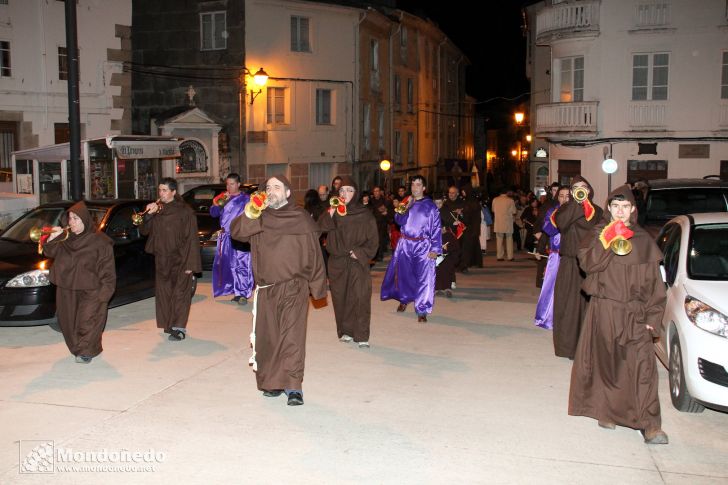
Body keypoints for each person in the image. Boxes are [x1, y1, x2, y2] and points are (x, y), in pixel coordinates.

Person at [569, 184, 668, 445]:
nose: (621, 212)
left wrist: (653, 318)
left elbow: (655, 285)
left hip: (635, 312)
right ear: (609, 209)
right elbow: (588, 264)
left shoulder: (644, 239)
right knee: (609, 366)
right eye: (615, 207)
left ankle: (651, 425)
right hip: (604, 308)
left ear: (633, 209)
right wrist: (610, 237)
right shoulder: (598, 234)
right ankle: (607, 411)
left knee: (643, 367)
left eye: (625, 207)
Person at [230, 175, 327, 406]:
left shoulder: (300, 218)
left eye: (277, 187)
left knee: (292, 337)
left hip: (294, 286)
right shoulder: (259, 216)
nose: (271, 191)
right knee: (269, 339)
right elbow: (237, 233)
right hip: (266, 288)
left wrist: (317, 286)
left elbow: (314, 253)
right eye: (268, 187)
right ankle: (272, 382)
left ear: (287, 192)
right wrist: (251, 211)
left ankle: (294, 387)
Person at [43, 201, 115, 363]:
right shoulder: (65, 238)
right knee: (68, 322)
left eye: (76, 219)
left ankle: (86, 351)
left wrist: (104, 294)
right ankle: (79, 348)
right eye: (70, 219)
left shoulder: (100, 242)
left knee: (87, 320)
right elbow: (49, 252)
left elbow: (108, 270)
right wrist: (53, 237)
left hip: (91, 289)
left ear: (85, 219)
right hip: (66, 288)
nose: (71, 223)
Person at [139, 177, 202, 341]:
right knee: (164, 294)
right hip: (162, 259)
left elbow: (192, 239)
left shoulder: (185, 211)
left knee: (180, 294)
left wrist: (191, 263)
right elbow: (145, 231)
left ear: (174, 192)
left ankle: (179, 328)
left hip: (181, 259)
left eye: (165, 190)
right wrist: (148, 215)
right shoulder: (157, 210)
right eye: (160, 190)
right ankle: (169, 324)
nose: (161, 193)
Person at [318, 177, 378, 347]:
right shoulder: (334, 211)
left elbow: (373, 240)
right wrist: (330, 213)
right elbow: (319, 228)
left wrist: (359, 252)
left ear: (355, 192)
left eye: (349, 190)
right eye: (342, 190)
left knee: (360, 297)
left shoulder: (364, 214)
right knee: (341, 298)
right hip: (337, 261)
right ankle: (346, 331)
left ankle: (362, 335)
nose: (345, 194)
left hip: (357, 261)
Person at [552, 175, 603, 359]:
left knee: (587, 307)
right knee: (568, 306)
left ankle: (586, 347)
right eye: (576, 188)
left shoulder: (597, 211)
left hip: (589, 264)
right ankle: (568, 347)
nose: (581, 190)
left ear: (589, 190)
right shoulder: (565, 209)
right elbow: (562, 224)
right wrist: (576, 203)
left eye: (584, 187)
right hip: (569, 263)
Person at [381, 175, 442, 323]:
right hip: (405, 244)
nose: (415, 187)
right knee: (404, 275)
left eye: (418, 185)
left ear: (424, 188)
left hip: (423, 246)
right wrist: (405, 207)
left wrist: (435, 248)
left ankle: (422, 308)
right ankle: (405, 298)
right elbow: (398, 220)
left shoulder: (431, 206)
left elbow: (436, 228)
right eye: (413, 185)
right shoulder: (406, 201)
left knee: (424, 278)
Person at [209, 173, 253, 305]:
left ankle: (242, 293)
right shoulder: (222, 197)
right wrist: (220, 203)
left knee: (242, 264)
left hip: (240, 236)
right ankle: (234, 290)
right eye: (227, 184)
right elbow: (213, 213)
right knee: (228, 265)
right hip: (225, 237)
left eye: (232, 184)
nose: (229, 187)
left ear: (238, 184)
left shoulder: (246, 198)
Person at [533, 186, 569, 329]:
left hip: (572, 256)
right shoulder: (552, 212)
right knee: (550, 287)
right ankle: (547, 317)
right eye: (561, 195)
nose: (564, 198)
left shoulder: (580, 212)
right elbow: (548, 230)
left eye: (567, 195)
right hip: (556, 255)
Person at [434, 198, 460, 297]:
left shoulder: (447, 212)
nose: (438, 205)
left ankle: (447, 287)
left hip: (447, 252)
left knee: (447, 269)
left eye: (440, 203)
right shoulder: (431, 213)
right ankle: (436, 287)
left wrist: (453, 224)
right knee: (437, 270)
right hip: (437, 254)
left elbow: (455, 247)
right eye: (436, 203)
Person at [458, 185, 483, 271]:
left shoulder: (469, 203)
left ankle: (464, 265)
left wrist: (461, 213)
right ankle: (477, 262)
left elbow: (467, 217)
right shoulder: (474, 202)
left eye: (464, 191)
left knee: (467, 247)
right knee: (475, 245)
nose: (463, 193)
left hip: (470, 228)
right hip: (474, 228)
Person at [491, 187, 517, 261]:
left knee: (499, 240)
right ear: (507, 192)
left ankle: (499, 256)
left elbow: (493, 210)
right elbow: (514, 211)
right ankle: (510, 256)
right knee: (509, 239)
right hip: (507, 222)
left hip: (498, 222)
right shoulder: (510, 200)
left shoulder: (495, 200)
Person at [369, 185, 393, 260]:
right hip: (372, 223)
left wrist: (386, 213)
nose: (376, 193)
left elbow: (390, 211)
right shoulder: (371, 201)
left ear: (380, 192)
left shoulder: (385, 200)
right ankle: (373, 254)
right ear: (373, 192)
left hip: (382, 222)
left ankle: (380, 255)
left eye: (377, 191)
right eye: (375, 191)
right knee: (373, 240)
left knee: (380, 239)